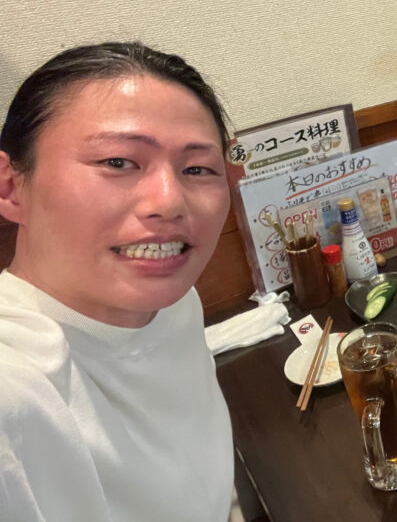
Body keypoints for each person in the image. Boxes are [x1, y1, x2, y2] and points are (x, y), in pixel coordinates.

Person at [0, 43, 236, 521]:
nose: (169, 202)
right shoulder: (16, 391)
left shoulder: (176, 306)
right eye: (118, 162)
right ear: (10, 186)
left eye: (197, 169)